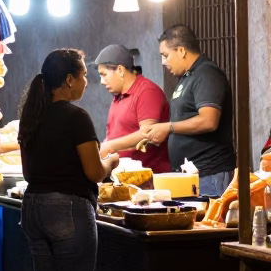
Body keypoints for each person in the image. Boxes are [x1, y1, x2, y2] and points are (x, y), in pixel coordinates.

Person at [18, 49, 119, 271]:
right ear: (70, 80)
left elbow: (31, 170)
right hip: (69, 211)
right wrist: (111, 162)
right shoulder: (77, 117)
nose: (87, 82)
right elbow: (93, 171)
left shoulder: (32, 115)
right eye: (84, 75)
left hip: (33, 207)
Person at [143, 25, 235, 197]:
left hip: (210, 174)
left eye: (165, 55)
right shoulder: (186, 77)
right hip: (190, 176)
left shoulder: (206, 74)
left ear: (181, 51)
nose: (164, 62)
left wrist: (168, 128)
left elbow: (209, 121)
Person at [91, 45, 170, 173]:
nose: (102, 81)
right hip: (122, 176)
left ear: (121, 70)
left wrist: (109, 146)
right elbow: (114, 135)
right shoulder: (118, 97)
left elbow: (148, 133)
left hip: (148, 178)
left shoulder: (147, 91)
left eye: (104, 75)